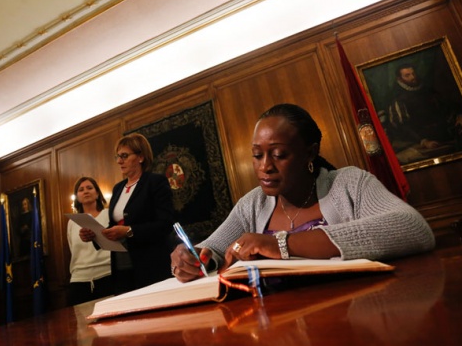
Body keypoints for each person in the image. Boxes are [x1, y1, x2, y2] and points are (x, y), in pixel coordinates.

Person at [171, 103, 435, 282]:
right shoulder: (253, 204)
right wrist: (193, 257)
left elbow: (413, 228)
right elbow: (213, 249)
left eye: (278, 155)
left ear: (310, 152)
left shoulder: (348, 184)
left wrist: (278, 245)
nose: (265, 167)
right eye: (256, 155)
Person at [79, 133, 174, 293]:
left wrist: (130, 231)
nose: (119, 161)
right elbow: (114, 226)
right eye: (117, 156)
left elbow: (165, 223)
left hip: (151, 261)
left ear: (141, 157)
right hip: (121, 264)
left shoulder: (155, 182)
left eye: (124, 156)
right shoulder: (117, 188)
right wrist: (94, 235)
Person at [384, 63, 462, 163]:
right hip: (418, 138)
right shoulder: (398, 99)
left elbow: (447, 104)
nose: (413, 77)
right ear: (399, 79)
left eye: (413, 73)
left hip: (442, 133)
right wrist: (424, 141)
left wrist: (461, 115)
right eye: (407, 75)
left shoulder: (426, 89)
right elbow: (402, 126)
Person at [67, 177, 114, 305]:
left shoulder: (109, 214)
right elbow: (73, 250)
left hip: (107, 275)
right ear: (77, 196)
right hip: (79, 280)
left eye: (89, 188)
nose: (85, 191)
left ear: (97, 193)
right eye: (81, 190)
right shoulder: (72, 222)